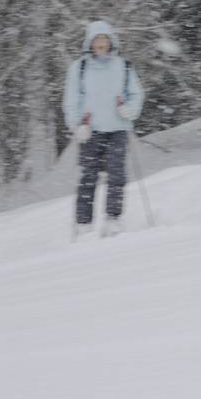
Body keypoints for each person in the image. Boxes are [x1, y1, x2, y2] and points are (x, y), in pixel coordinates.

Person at [63, 20, 144, 237]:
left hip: (117, 129)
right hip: (90, 130)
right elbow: (71, 100)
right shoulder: (79, 68)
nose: (101, 44)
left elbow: (136, 94)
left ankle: (113, 218)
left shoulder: (123, 66)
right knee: (88, 177)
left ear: (111, 42)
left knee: (117, 175)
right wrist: (76, 126)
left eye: (104, 39)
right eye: (97, 40)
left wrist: (131, 110)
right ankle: (83, 223)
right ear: (90, 43)